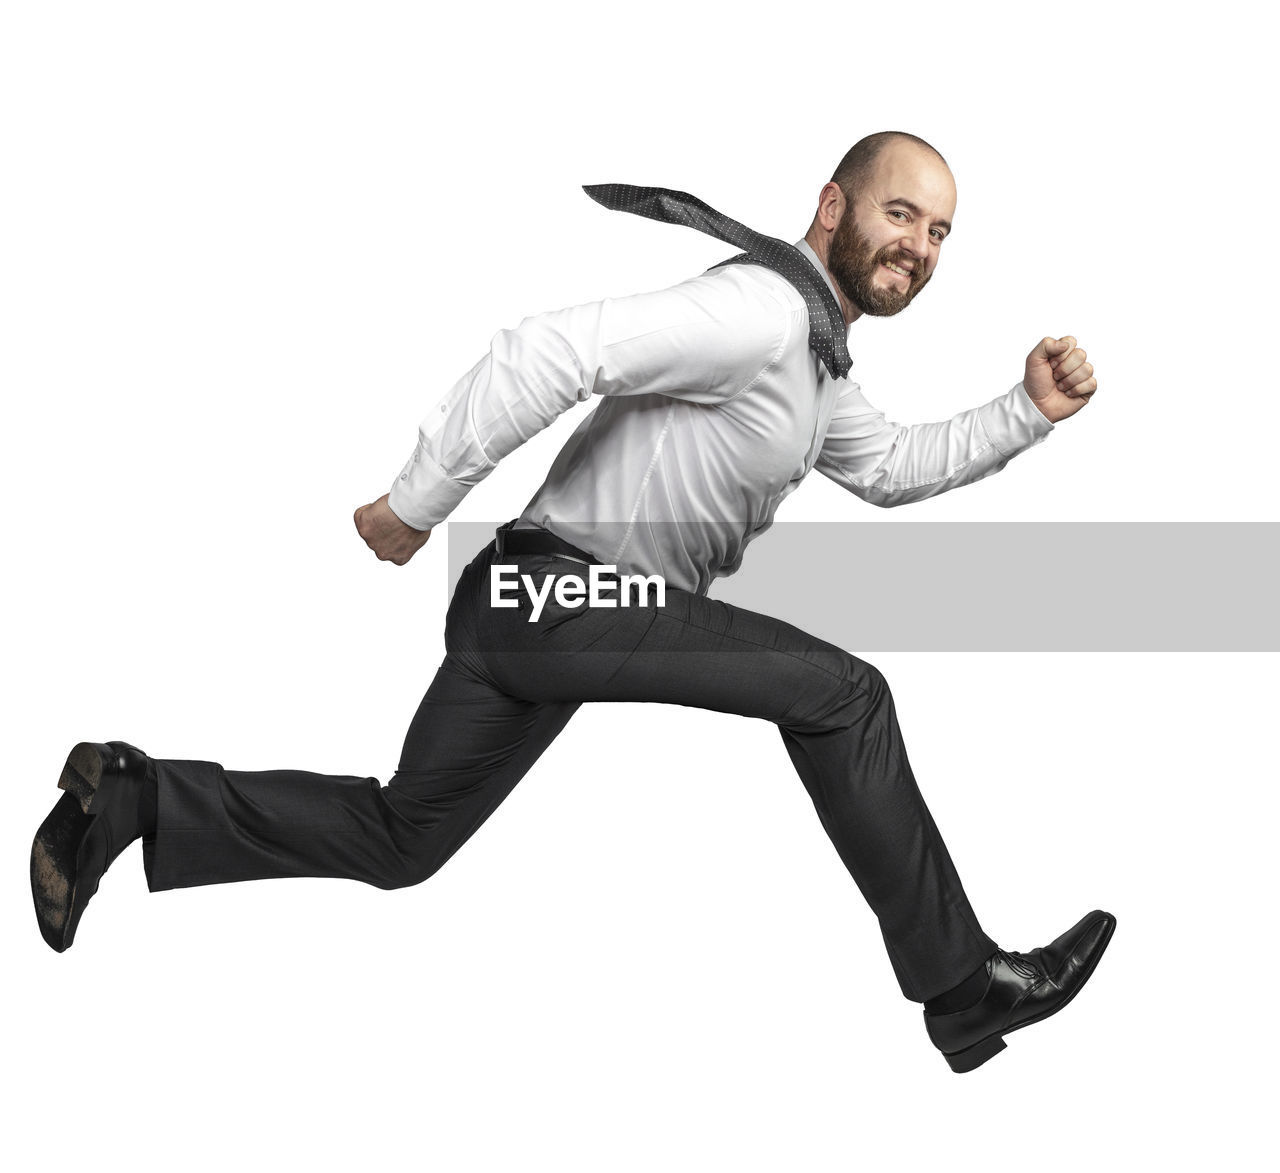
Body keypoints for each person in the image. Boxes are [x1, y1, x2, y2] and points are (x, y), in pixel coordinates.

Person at [31, 131, 1115, 1073]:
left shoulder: (818, 368)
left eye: (937, 235)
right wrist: (416, 502)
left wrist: (1027, 408)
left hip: (527, 606)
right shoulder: (755, 311)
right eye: (898, 213)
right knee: (845, 696)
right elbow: (547, 351)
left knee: (404, 839)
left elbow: (891, 469)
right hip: (556, 596)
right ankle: (960, 985)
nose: (917, 248)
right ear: (830, 207)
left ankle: (137, 799)